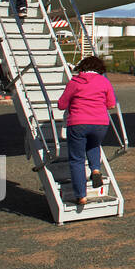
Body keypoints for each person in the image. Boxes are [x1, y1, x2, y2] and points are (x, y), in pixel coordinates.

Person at [56, 55, 116, 207]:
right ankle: (95, 169)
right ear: (100, 69)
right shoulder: (104, 81)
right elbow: (111, 104)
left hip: (78, 123)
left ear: (82, 67)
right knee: (93, 145)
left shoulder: (75, 82)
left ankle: (81, 195)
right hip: (100, 123)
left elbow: (61, 105)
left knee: (77, 160)